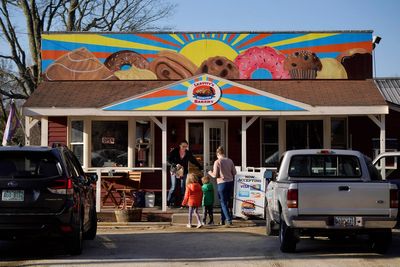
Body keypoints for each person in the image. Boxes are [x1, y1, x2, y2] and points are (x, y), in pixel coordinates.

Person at [167, 140, 203, 207]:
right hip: (175, 170)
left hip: (183, 171)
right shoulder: (174, 151)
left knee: (183, 187)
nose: (184, 148)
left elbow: (193, 160)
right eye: (183, 146)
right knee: (173, 186)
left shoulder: (188, 153)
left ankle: (183, 203)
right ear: (180, 146)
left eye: (186, 146)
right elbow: (169, 159)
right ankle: (168, 202)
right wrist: (175, 164)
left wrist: (200, 167)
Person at [208, 146, 236, 226]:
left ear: (217, 154)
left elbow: (215, 175)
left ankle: (228, 220)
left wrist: (209, 172)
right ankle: (222, 220)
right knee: (226, 202)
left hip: (222, 184)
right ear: (223, 153)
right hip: (230, 183)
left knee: (223, 203)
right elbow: (234, 173)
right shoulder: (230, 160)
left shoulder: (217, 162)